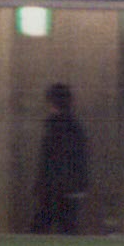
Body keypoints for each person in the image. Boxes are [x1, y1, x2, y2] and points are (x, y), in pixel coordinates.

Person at [29, 82, 90, 235]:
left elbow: (49, 160)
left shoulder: (53, 126)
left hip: (53, 188)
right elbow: (80, 159)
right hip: (72, 188)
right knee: (68, 229)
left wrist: (41, 184)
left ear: (51, 102)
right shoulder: (76, 127)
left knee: (40, 227)